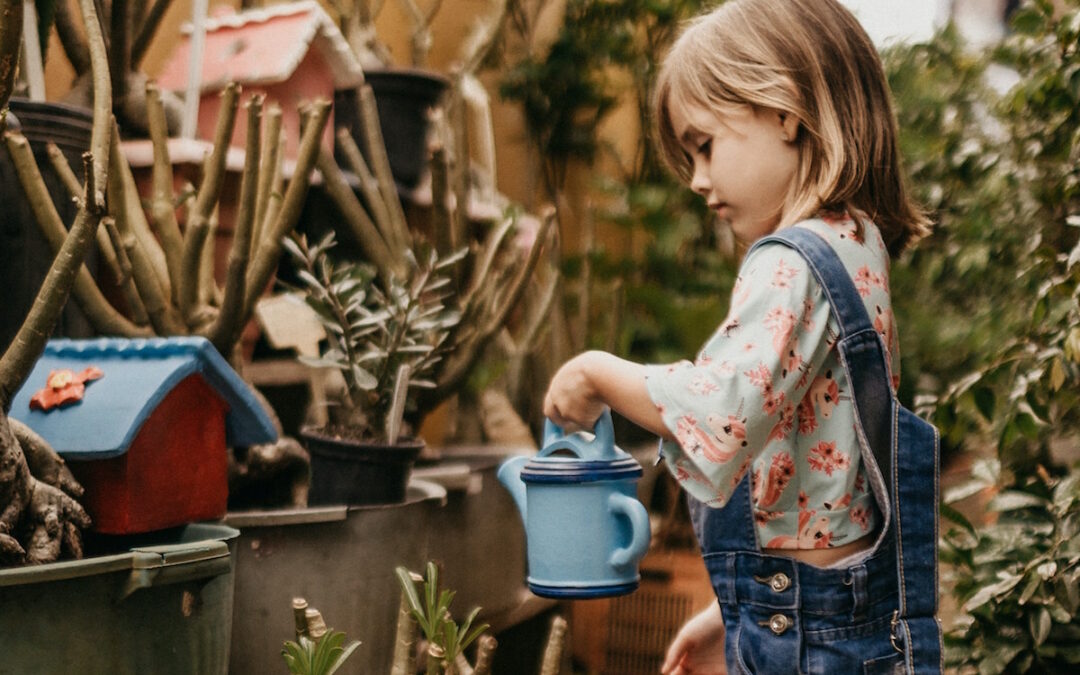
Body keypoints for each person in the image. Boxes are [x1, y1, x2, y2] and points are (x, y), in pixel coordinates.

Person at [541, 0, 942, 673]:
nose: (698, 180)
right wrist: (733, 615)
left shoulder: (791, 260)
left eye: (705, 145)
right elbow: (823, 495)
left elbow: (721, 414)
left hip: (810, 641)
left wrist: (596, 372)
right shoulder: (855, 243)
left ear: (784, 111)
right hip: (845, 621)